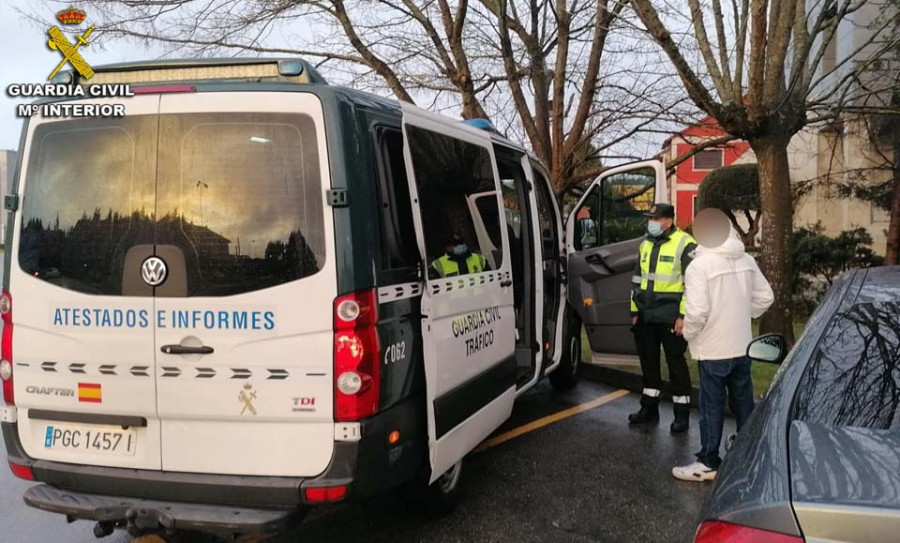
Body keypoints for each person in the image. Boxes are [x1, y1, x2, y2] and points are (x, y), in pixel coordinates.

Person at [672, 209, 773, 482]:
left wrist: (689, 334)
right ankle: (749, 455)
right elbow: (766, 297)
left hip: (714, 348)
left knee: (711, 406)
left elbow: (697, 312)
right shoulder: (746, 259)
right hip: (742, 345)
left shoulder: (699, 267)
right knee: (743, 404)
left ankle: (708, 461)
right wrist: (742, 314)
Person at [628, 203, 696, 433]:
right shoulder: (645, 243)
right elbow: (637, 279)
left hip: (670, 317)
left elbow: (692, 284)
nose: (651, 223)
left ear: (668, 221)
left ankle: (682, 415)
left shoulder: (685, 244)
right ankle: (648, 409)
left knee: (676, 365)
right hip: (646, 316)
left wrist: (683, 316)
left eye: (655, 219)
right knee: (648, 363)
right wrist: (634, 311)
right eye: (651, 219)